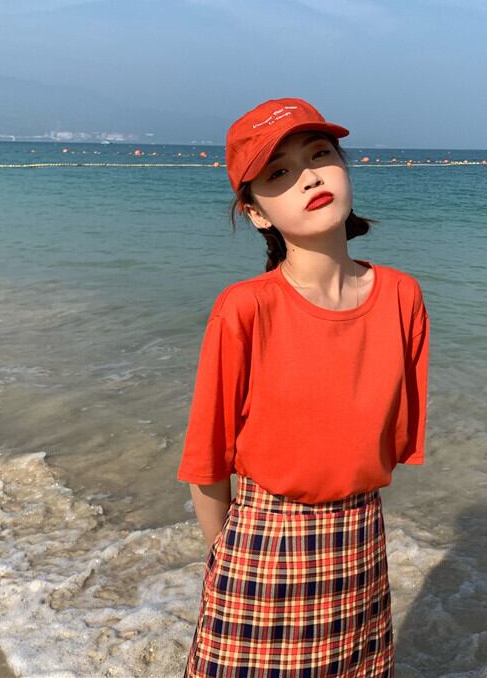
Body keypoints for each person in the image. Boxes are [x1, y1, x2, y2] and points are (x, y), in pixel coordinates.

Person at [177, 97, 430, 677]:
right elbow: (206, 461)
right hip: (262, 544)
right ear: (257, 213)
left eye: (320, 155)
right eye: (279, 174)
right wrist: (226, 560)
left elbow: (388, 441)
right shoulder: (245, 308)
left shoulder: (402, 296)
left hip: (360, 541)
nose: (309, 177)